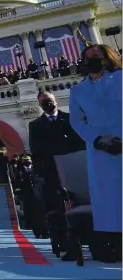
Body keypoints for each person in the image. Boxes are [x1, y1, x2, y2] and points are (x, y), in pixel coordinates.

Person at [69, 44, 122, 258]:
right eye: (86, 56)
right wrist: (97, 140)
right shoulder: (78, 90)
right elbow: (76, 121)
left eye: (95, 55)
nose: (90, 59)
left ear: (106, 58)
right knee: (108, 198)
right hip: (100, 150)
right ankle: (114, 244)